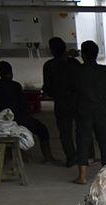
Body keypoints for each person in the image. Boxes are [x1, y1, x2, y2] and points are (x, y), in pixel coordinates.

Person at [0, 61, 54, 162]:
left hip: (2, 121)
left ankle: (19, 154)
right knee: (42, 130)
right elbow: (24, 104)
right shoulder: (15, 86)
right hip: (18, 118)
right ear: (10, 72)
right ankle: (48, 157)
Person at [71, 40, 106, 184]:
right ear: (96, 54)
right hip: (101, 109)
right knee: (104, 141)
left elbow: (73, 87)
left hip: (84, 109)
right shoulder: (105, 70)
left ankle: (82, 176)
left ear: (83, 54)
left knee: (83, 141)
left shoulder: (76, 71)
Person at [42, 37, 79, 167]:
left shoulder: (49, 65)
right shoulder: (74, 63)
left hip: (61, 102)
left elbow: (48, 88)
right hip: (76, 101)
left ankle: (71, 157)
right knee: (81, 129)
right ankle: (85, 156)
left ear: (52, 50)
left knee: (65, 132)